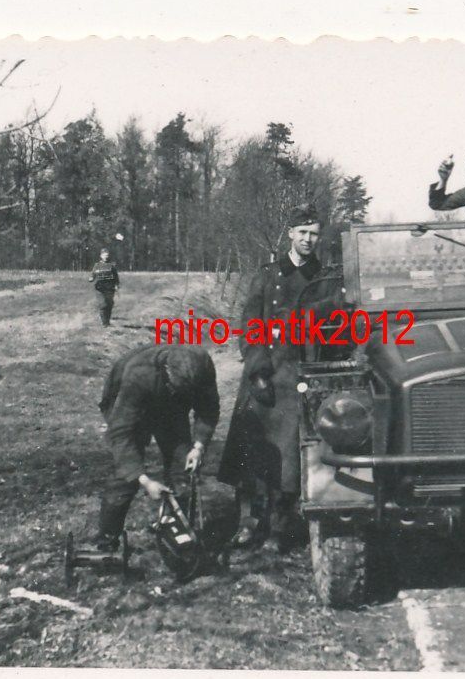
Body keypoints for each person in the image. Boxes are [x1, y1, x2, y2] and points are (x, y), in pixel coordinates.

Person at [217, 205, 334, 552]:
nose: (308, 239)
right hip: (265, 373)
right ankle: (249, 523)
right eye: (302, 232)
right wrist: (258, 368)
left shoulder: (324, 278)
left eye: (314, 233)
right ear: (290, 234)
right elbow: (250, 325)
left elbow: (336, 322)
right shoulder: (267, 276)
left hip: (300, 375)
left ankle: (280, 528)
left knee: (289, 458)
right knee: (250, 453)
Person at [96, 345, 220, 551]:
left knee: (183, 465)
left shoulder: (202, 364)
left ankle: (175, 527)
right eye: (178, 388)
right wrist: (144, 480)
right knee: (125, 478)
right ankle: (106, 541)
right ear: (167, 371)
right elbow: (121, 434)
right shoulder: (138, 375)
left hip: (170, 411)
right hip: (125, 403)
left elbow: (208, 409)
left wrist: (198, 447)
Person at [89, 248, 120, 327]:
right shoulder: (97, 265)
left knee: (109, 304)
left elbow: (116, 276)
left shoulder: (111, 265)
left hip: (110, 288)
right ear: (101, 256)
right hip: (100, 288)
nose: (106, 257)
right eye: (104, 255)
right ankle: (104, 323)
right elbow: (93, 274)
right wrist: (91, 278)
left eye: (107, 255)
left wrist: (116, 285)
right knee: (103, 304)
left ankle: (107, 321)